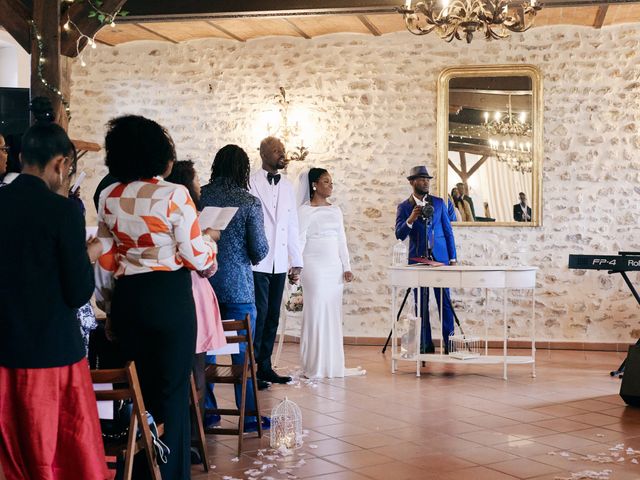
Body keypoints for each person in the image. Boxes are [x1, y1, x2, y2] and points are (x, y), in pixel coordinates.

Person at [95, 115, 216, 480]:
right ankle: (173, 473)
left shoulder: (108, 195)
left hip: (130, 300)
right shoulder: (174, 194)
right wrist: (210, 246)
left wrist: (109, 305)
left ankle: (140, 472)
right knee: (173, 394)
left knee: (140, 394)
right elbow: (198, 257)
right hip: (169, 300)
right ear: (158, 154)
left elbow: (105, 257)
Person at [0, 122, 108, 480]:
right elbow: (77, 292)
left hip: (4, 351)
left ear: (20, 157)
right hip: (52, 354)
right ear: (61, 164)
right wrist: (88, 255)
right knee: (56, 457)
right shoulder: (63, 212)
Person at [200, 144, 270, 429]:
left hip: (205, 286)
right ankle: (249, 417)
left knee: (205, 353)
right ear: (243, 169)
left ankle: (208, 412)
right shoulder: (250, 202)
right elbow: (259, 250)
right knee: (244, 358)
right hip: (239, 289)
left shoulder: (199, 195)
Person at [297, 168, 364, 378]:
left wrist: (347, 267)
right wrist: (296, 266)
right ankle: (314, 364)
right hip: (313, 265)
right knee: (316, 311)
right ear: (315, 185)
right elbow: (299, 239)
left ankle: (332, 364)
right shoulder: (304, 211)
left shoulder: (336, 210)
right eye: (326, 181)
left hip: (333, 266)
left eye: (331, 182)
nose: (330, 185)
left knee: (332, 314)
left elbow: (341, 239)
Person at [250, 136, 303, 385]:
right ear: (263, 154)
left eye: (283, 150)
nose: (282, 153)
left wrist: (296, 259)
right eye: (276, 150)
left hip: (280, 260)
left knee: (272, 315)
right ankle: (251, 367)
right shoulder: (251, 181)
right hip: (258, 260)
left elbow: (292, 224)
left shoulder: (287, 185)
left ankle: (265, 366)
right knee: (259, 315)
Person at [396, 166, 457, 354]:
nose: (426, 182)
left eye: (427, 179)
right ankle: (425, 345)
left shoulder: (439, 203)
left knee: (445, 303)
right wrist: (411, 219)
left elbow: (448, 231)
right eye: (421, 179)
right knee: (421, 305)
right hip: (417, 261)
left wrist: (453, 258)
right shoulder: (404, 207)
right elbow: (399, 235)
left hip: (441, 260)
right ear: (412, 182)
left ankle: (450, 345)